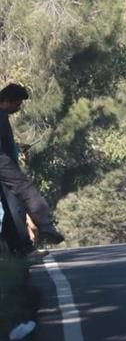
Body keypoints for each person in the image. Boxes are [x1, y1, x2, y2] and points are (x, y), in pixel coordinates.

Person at [0, 83, 63, 252]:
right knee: (26, 191)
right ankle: (45, 225)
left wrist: (18, 147)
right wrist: (13, 169)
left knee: (12, 207)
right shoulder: (0, 116)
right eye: (17, 104)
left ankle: (21, 249)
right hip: (3, 164)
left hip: (5, 163)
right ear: (6, 100)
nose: (18, 108)